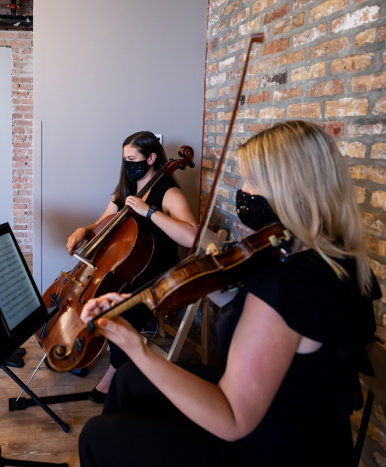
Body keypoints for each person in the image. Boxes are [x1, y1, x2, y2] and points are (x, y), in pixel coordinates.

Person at [78, 121, 379, 467]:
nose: (244, 190)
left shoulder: (287, 287)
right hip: (307, 424)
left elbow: (233, 418)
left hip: (272, 448)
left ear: (293, 190)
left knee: (95, 438)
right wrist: (194, 283)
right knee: (129, 381)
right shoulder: (342, 259)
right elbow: (260, 317)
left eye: (252, 180)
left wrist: (138, 347)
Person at [65, 131, 197, 402]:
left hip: (159, 270)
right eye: (124, 159)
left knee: (120, 310)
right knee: (95, 299)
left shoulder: (168, 192)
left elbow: (192, 236)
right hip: (126, 266)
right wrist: (84, 230)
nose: (128, 165)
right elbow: (102, 225)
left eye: (133, 159)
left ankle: (115, 370)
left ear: (151, 158)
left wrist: (149, 211)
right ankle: (85, 350)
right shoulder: (125, 188)